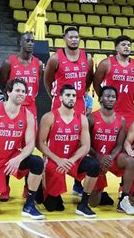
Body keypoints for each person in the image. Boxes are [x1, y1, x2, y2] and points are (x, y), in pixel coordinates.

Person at [0, 78, 45, 220]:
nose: (21, 94)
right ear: (8, 92)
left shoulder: (28, 115)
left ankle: (29, 205)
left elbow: (30, 143)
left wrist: (18, 159)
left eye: (24, 91)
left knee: (37, 162)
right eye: (18, 90)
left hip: (12, 157)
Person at [37, 85, 100, 218]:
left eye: (73, 96)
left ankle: (83, 204)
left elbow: (86, 146)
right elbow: (40, 143)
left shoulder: (81, 118)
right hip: (55, 160)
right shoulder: (49, 117)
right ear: (60, 98)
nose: (71, 98)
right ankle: (39, 189)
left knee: (94, 165)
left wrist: (71, 160)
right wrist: (58, 160)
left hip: (73, 160)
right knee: (53, 207)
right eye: (68, 95)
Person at [0, 32, 44, 201]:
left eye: (33, 41)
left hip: (30, 110)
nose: (31, 43)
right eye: (27, 40)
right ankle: (4, 187)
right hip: (12, 111)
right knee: (7, 148)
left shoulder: (38, 64)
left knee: (28, 148)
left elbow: (39, 83)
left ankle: (27, 186)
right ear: (20, 42)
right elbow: (4, 84)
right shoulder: (9, 62)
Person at [88, 86, 134, 215]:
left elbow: (119, 145)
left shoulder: (121, 120)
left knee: (130, 162)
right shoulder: (92, 118)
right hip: (96, 159)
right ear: (100, 99)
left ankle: (124, 200)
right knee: (93, 203)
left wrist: (110, 158)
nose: (110, 99)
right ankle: (99, 193)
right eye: (107, 96)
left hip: (112, 157)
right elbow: (86, 144)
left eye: (113, 97)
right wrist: (100, 158)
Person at [93, 35, 134, 129]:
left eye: (128, 45)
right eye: (123, 44)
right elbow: (96, 84)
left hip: (129, 111)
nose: (127, 47)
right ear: (116, 48)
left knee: (125, 141)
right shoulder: (106, 63)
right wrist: (105, 98)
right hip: (111, 110)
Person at [44, 26, 94, 115]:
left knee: (78, 128)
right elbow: (47, 81)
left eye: (76, 37)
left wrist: (84, 89)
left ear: (80, 39)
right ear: (64, 39)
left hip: (79, 100)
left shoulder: (87, 58)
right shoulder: (55, 58)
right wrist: (54, 96)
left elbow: (89, 79)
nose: (74, 40)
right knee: (58, 128)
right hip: (61, 101)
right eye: (71, 37)